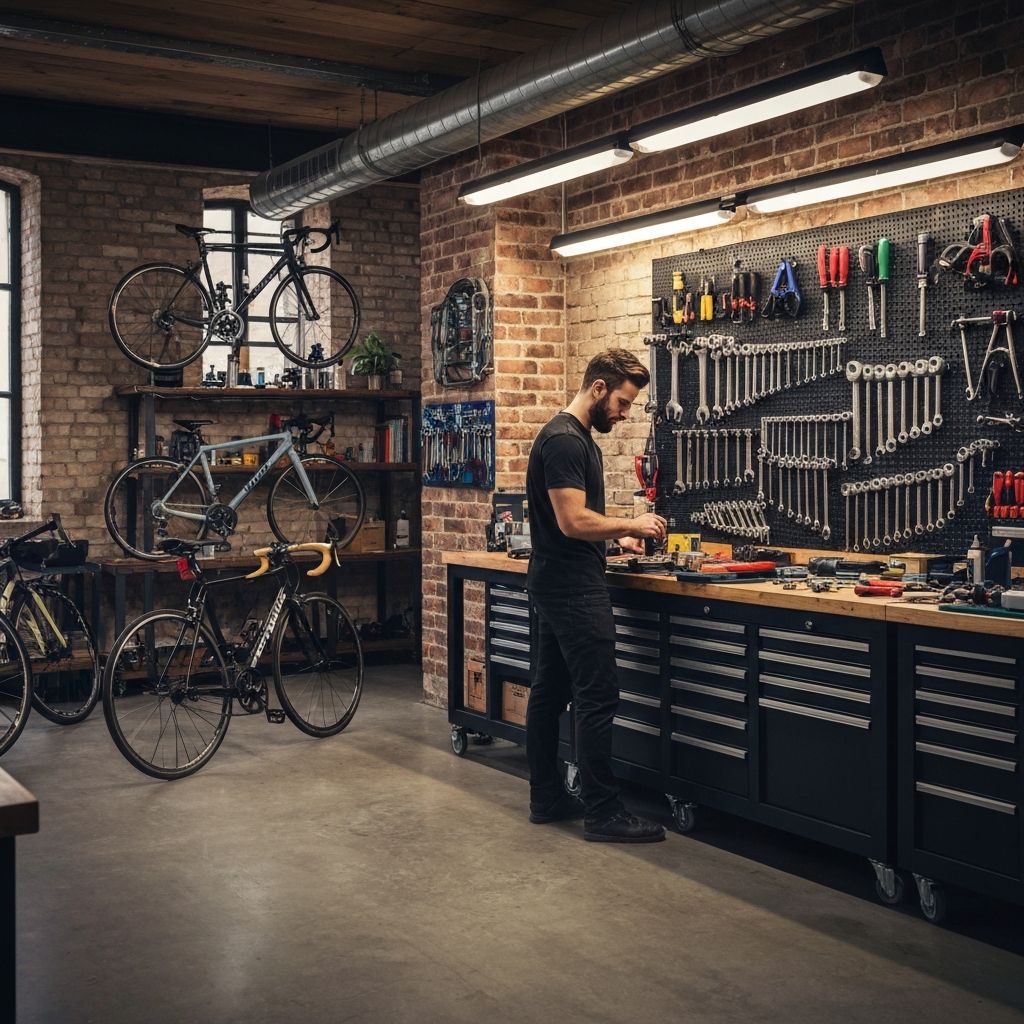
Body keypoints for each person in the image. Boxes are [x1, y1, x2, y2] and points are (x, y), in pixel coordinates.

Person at [525, 348, 667, 843]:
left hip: (554, 579)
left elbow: (576, 525)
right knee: (597, 697)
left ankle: (546, 797)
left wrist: (616, 539)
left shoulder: (570, 437)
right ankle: (603, 812)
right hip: (572, 590)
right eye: (623, 404)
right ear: (599, 388)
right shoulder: (565, 442)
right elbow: (571, 520)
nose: (625, 415)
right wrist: (634, 521)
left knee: (550, 693)